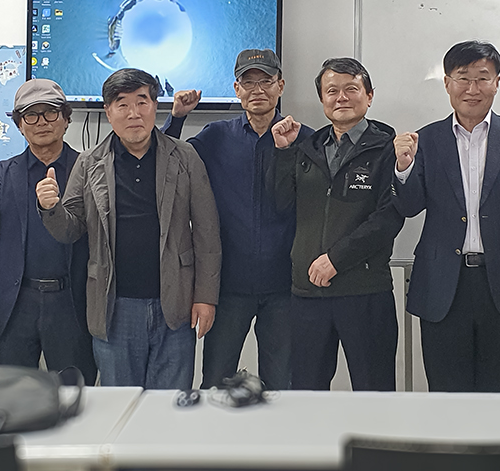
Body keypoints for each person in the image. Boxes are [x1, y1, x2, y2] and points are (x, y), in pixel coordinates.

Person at [38, 68, 220, 389]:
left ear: (155, 106)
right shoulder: (89, 162)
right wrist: (50, 208)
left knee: (170, 405)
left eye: (142, 102)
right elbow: (70, 229)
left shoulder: (185, 156)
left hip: (174, 303)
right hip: (114, 307)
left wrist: (206, 297)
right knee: (120, 404)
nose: (133, 113)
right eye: (122, 104)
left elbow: (207, 232)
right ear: (108, 112)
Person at [391, 41, 500, 393]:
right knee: (448, 398)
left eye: (482, 78)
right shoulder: (427, 139)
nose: (472, 88)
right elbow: (409, 206)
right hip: (443, 288)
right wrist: (403, 169)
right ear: (447, 83)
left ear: (497, 82)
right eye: (463, 78)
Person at [161, 49, 309, 390]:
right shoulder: (215, 136)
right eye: (248, 82)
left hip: (284, 287)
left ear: (280, 86)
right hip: (228, 286)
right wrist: (178, 117)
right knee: (216, 382)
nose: (257, 90)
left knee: (281, 386)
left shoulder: (303, 138)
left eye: (266, 81)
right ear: (236, 89)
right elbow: (167, 161)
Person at [271, 57, 403, 391]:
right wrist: (284, 152)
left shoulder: (388, 149)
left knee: (374, 392)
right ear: (322, 99)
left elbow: (388, 218)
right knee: (307, 393)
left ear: (369, 96)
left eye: (351, 89)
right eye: (332, 91)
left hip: (364, 291)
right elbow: (282, 206)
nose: (341, 97)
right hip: (308, 295)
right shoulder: (307, 149)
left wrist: (335, 260)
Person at [0, 79, 96, 384]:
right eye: (31, 115)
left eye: (50, 113)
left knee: (74, 393)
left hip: (71, 302)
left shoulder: (88, 169)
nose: (41, 122)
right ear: (19, 125)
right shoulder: (3, 173)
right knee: (14, 395)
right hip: (17, 303)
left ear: (66, 119)